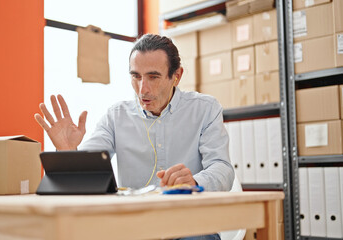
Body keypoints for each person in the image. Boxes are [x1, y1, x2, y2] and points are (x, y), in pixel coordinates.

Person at [35, 34, 234, 240]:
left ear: (176, 75)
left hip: (190, 226)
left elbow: (223, 169)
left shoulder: (205, 109)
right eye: (136, 76)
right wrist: (68, 152)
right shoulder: (116, 116)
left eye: (153, 77)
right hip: (135, 228)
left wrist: (194, 181)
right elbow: (88, 172)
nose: (143, 89)